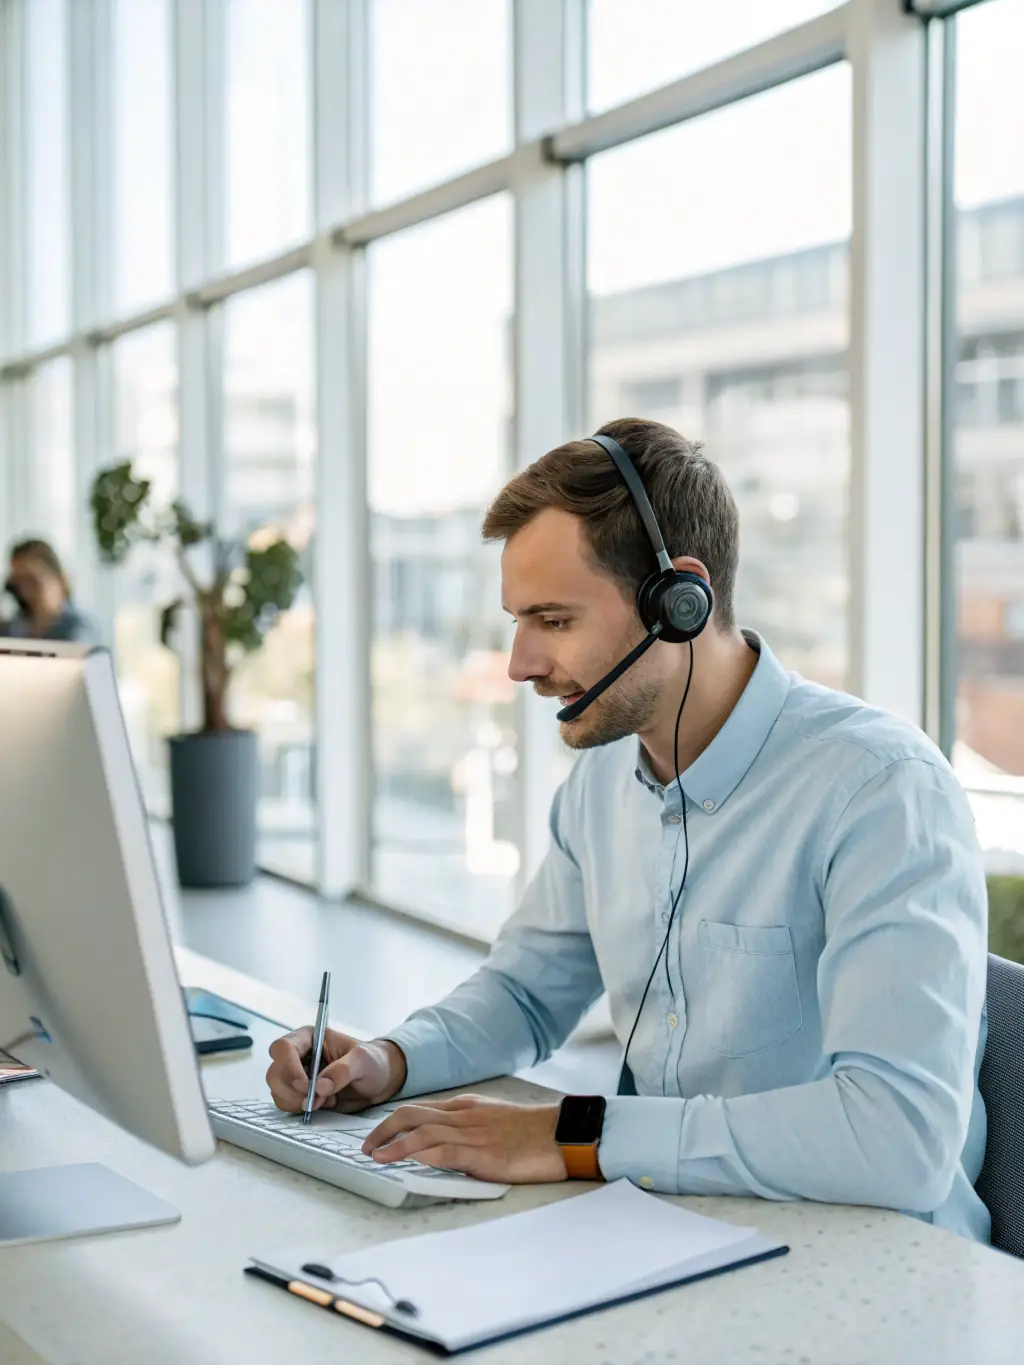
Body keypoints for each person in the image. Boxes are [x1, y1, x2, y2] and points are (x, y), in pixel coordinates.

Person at [267, 417, 989, 1241]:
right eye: (517, 620)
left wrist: (576, 1134)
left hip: (880, 1272)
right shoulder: (601, 785)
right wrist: (388, 1062)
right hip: (672, 1228)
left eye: (555, 620)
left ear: (679, 601)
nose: (520, 663)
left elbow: (899, 1137)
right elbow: (525, 992)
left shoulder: (879, 790)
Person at [1, 538, 100, 645]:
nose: (25, 591)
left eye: (32, 581)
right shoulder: (15, 627)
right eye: (18, 583)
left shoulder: (79, 628)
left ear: (60, 580)